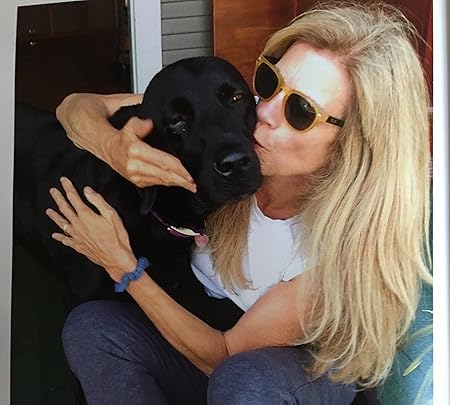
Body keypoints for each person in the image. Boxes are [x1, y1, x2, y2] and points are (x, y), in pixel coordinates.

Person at [46, 2, 432, 404]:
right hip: (211, 334)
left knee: (245, 379)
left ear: (351, 142)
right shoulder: (241, 120)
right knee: (92, 326)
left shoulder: (338, 250)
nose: (264, 112)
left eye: (300, 110)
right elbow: (74, 108)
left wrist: (124, 266)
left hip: (288, 376)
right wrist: (113, 147)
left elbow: (224, 354)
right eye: (270, 82)